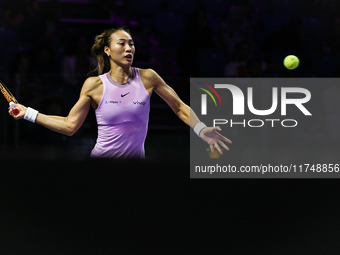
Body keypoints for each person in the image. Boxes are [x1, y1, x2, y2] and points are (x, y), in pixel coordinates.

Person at [8, 27, 232, 158]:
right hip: (101, 167)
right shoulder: (94, 85)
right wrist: (28, 113)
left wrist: (201, 129)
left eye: (131, 44)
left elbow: (180, 107)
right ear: (107, 50)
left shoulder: (148, 77)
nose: (129, 48)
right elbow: (69, 126)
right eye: (122, 43)